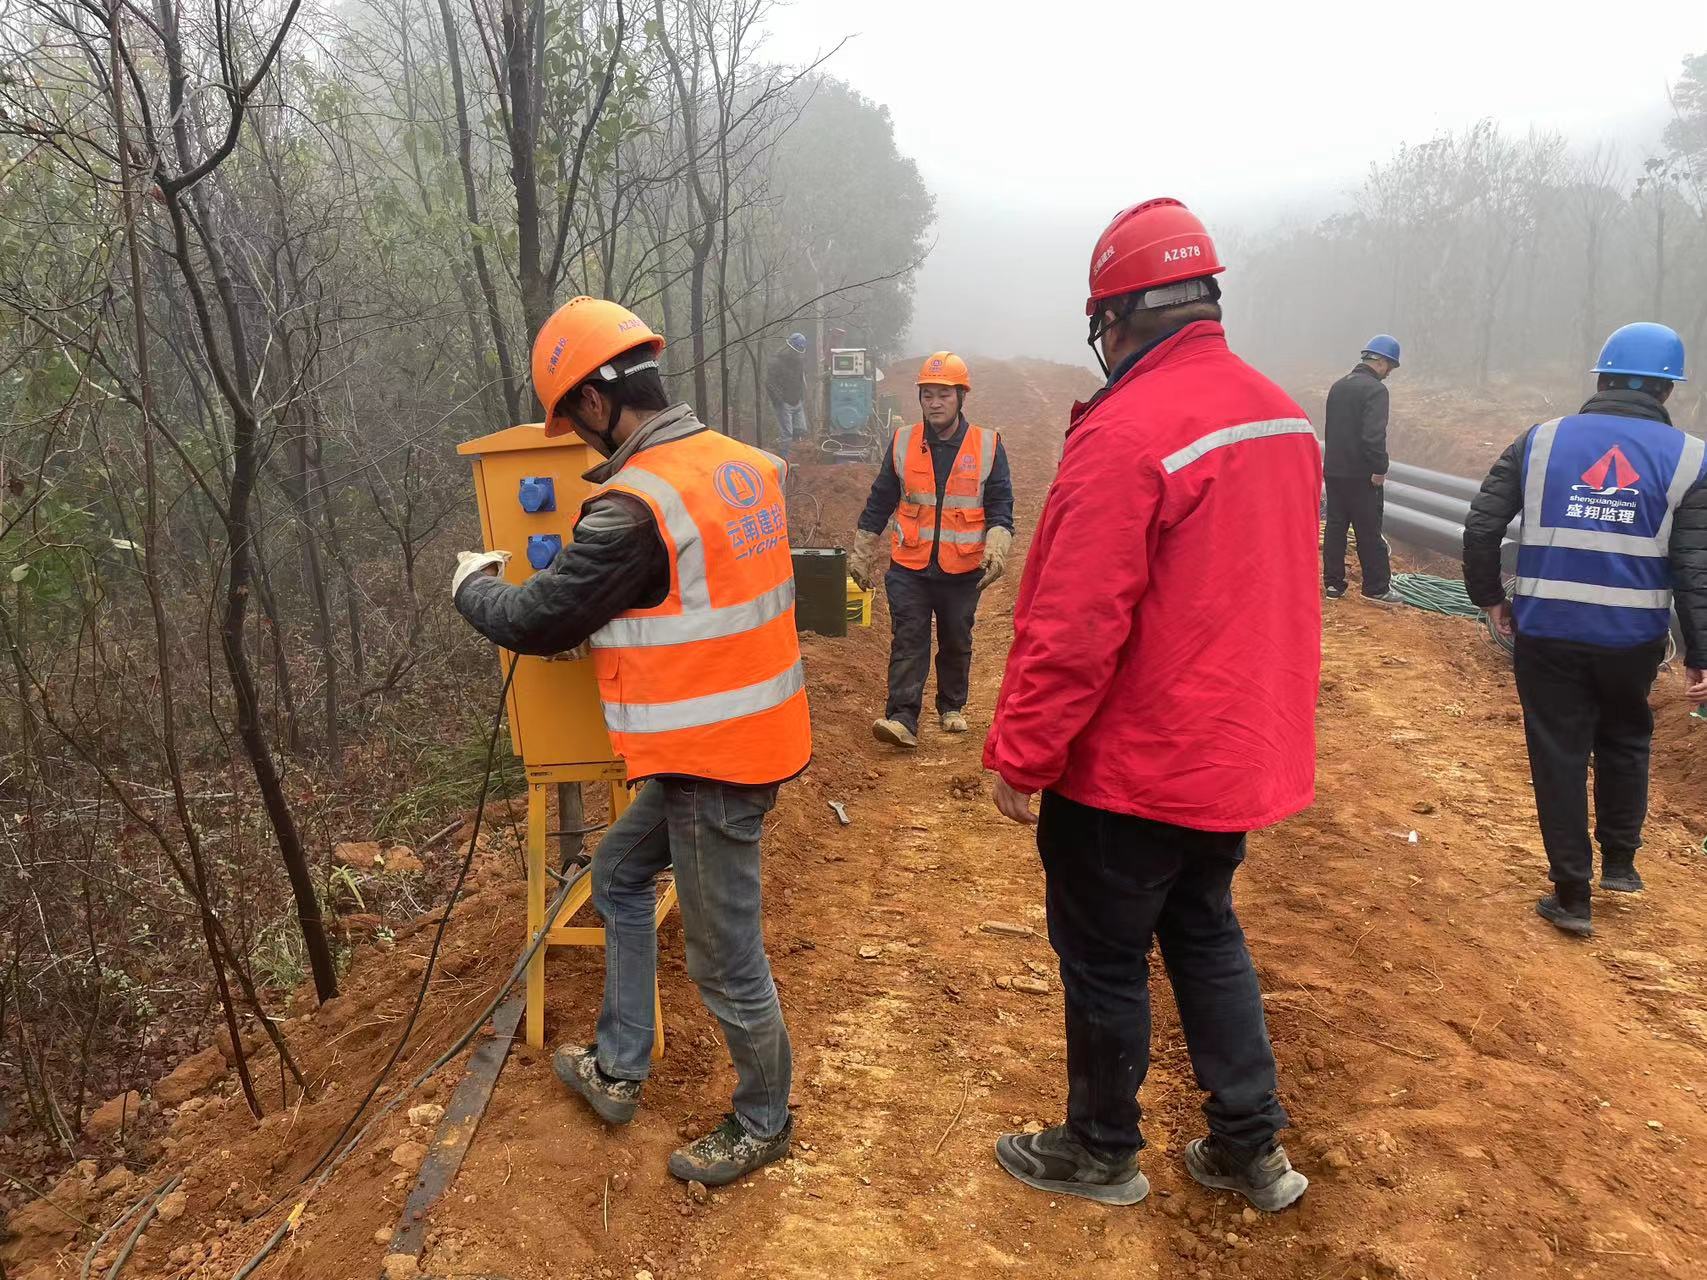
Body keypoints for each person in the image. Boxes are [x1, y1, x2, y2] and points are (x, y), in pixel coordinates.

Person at [983, 198, 1319, 1213]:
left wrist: (1023, 754)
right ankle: (1251, 1149)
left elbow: (1076, 622)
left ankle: (1100, 1147)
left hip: (1131, 765)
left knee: (1103, 954)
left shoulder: (1128, 429)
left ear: (1117, 317)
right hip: (1229, 760)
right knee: (1207, 930)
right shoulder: (1280, 415)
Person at [451, 296, 809, 1186]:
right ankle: (618, 1068)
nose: (574, 441)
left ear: (595, 403)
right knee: (615, 874)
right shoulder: (737, 464)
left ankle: (764, 1121)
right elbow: (695, 598)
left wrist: (472, 587)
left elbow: (539, 617)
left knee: (725, 964)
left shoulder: (636, 503)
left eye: (571, 421)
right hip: (743, 736)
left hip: (712, 763)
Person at [1463, 321, 1707, 938]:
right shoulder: (1692, 459)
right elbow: (1695, 568)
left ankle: (1572, 895)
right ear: (1667, 391)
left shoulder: (1540, 441)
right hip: (1634, 640)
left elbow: (1481, 528)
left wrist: (1490, 597)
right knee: (1626, 736)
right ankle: (1621, 862)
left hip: (1547, 631)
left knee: (1560, 753)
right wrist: (1700, 654)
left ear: (1600, 378)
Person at [847, 352, 1014, 748]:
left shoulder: (988, 445)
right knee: (909, 637)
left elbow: (1001, 503)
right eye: (927, 395)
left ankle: (951, 705)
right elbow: (880, 498)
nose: (935, 403)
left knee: (957, 637)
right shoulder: (903, 441)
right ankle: (901, 718)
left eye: (943, 395)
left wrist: (997, 546)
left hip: (962, 570)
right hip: (910, 565)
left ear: (960, 398)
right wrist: (862, 550)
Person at [1322, 335, 1402, 602]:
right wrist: (1380, 468)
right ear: (1380, 361)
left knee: (1336, 528)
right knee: (1368, 530)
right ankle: (1376, 588)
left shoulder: (1338, 386)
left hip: (1334, 471)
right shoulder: (1376, 391)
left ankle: (1333, 585)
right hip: (1361, 475)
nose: (1389, 372)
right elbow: (1373, 435)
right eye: (1389, 366)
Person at [766, 332, 811, 456]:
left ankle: (788, 449)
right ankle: (783, 459)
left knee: (801, 429)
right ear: (790, 348)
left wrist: (802, 396)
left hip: (797, 401)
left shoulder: (799, 362)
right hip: (784, 403)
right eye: (796, 350)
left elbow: (801, 379)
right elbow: (770, 383)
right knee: (787, 434)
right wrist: (779, 400)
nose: (797, 353)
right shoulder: (777, 362)